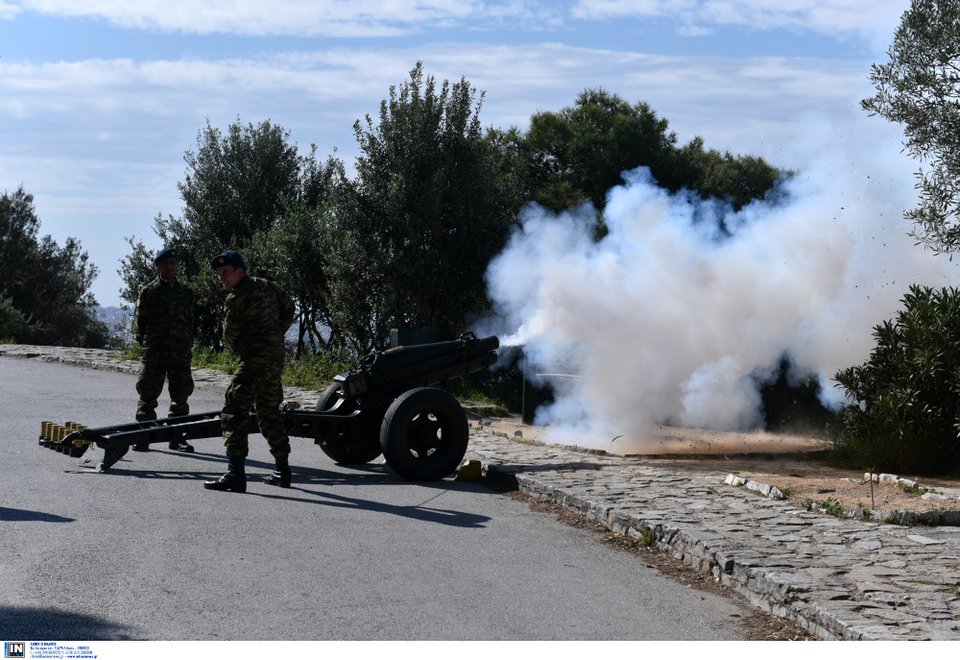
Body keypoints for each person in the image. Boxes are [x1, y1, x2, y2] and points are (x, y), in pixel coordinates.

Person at [204, 250, 296, 493]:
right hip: (275, 358)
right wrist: (276, 334)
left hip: (255, 359)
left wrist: (246, 346)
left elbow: (229, 335)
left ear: (240, 271)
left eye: (226, 273)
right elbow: (289, 307)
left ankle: (235, 475)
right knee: (268, 412)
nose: (222, 278)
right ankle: (283, 471)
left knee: (233, 410)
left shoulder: (236, 298)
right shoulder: (266, 285)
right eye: (219, 275)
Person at [132, 246, 196, 452]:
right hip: (155, 351)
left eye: (173, 263)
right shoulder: (149, 291)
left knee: (180, 397)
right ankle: (143, 436)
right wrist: (147, 344)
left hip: (179, 352)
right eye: (165, 263)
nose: (170, 266)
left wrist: (186, 343)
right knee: (148, 395)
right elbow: (140, 322)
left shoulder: (186, 293)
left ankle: (177, 437)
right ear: (158, 266)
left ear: (177, 265)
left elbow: (190, 322)